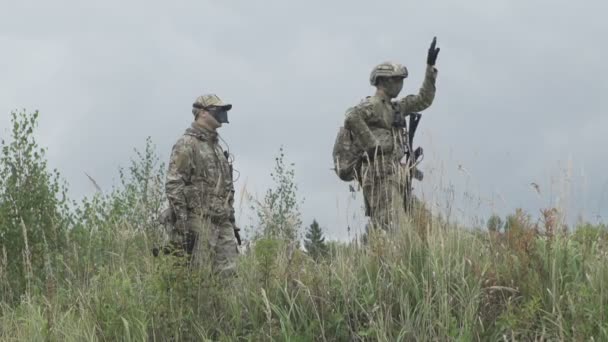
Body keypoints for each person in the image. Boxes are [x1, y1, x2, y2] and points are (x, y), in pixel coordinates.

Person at [344, 37, 440, 230]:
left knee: (420, 230)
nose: (400, 85)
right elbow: (351, 116)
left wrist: (430, 68)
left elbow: (423, 100)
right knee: (397, 234)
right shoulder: (373, 104)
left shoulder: (395, 107)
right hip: (380, 176)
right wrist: (372, 145)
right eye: (397, 80)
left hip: (396, 175)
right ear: (384, 81)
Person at [164, 94, 240, 275]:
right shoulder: (187, 144)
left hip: (222, 223)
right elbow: (174, 184)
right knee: (199, 278)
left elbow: (227, 187)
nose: (222, 114)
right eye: (218, 109)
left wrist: (231, 220)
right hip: (199, 222)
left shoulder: (217, 147)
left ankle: (223, 305)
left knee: (228, 278)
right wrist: (183, 224)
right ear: (203, 113)